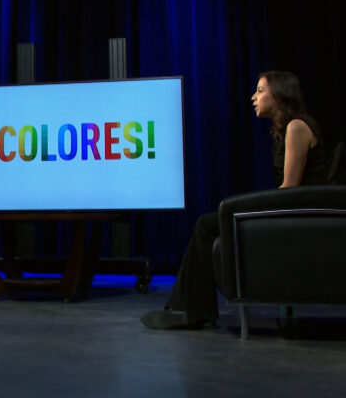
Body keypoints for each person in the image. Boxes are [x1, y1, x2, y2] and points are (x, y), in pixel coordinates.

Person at [141, 71, 329, 330]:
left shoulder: (297, 127)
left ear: (280, 94)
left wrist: (248, 206)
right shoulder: (285, 130)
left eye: (261, 91)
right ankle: (192, 309)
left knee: (207, 225)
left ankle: (192, 310)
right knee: (208, 224)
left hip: (295, 215)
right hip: (290, 211)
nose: (254, 97)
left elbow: (290, 190)